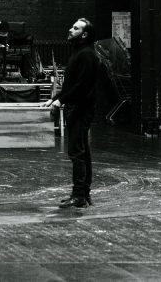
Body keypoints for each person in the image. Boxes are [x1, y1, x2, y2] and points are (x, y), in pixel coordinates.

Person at [43, 17, 100, 208]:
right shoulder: (80, 52)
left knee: (77, 153)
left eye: (75, 28)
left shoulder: (87, 55)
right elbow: (71, 84)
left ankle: (79, 196)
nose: (70, 29)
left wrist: (61, 100)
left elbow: (82, 86)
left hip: (81, 109)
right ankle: (84, 193)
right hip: (77, 107)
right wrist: (55, 97)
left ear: (84, 34)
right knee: (82, 152)